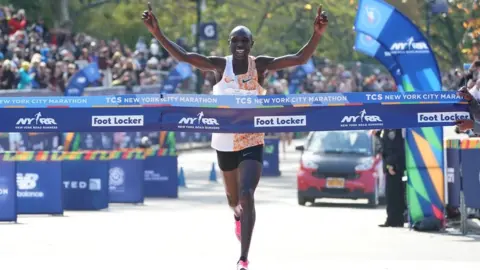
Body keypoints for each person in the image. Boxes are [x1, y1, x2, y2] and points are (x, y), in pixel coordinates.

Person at [142, 3, 328, 269]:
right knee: (233, 200)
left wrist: (317, 34)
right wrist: (157, 32)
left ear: (251, 44)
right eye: (235, 40)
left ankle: (243, 258)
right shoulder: (221, 66)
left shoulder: (260, 66)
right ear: (230, 44)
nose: (240, 44)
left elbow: (299, 59)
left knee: (247, 193)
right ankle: (238, 217)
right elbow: (184, 57)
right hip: (224, 140)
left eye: (245, 40)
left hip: (251, 137)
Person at [375, 129, 406, 227]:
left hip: (394, 167)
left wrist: (391, 165)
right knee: (390, 194)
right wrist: (377, 134)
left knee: (394, 194)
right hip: (390, 166)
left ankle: (395, 220)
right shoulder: (385, 129)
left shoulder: (394, 130)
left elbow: (394, 148)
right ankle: (392, 219)